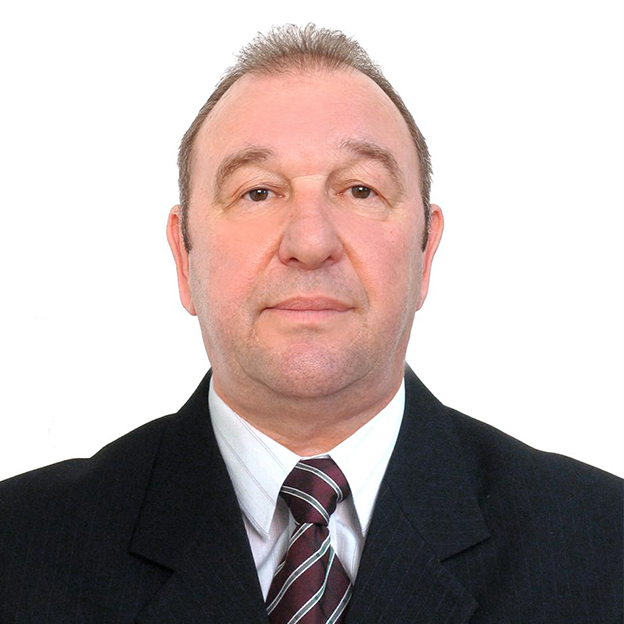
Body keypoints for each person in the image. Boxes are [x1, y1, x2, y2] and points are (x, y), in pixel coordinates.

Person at [0, 24, 621, 624]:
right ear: (185, 258)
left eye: (359, 190)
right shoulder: (22, 551)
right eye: (258, 192)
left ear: (425, 253)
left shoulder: (601, 549)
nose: (310, 242)